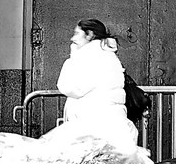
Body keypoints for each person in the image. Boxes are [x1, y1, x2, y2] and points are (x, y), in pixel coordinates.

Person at [55, 18, 138, 151]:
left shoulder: (89, 57)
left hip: (92, 123)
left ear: (89, 34)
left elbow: (71, 87)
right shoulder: (108, 56)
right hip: (110, 121)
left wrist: (73, 57)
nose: (73, 39)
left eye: (77, 33)